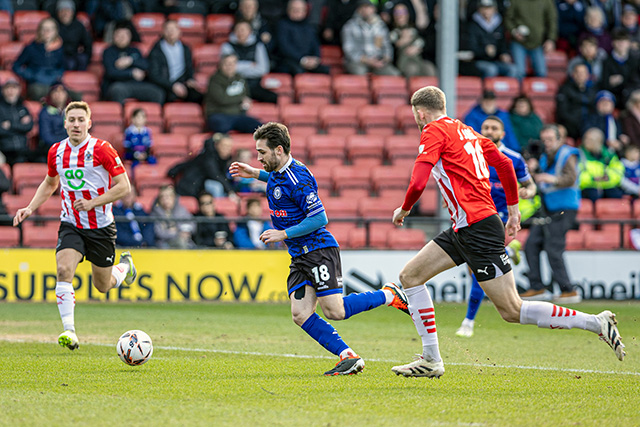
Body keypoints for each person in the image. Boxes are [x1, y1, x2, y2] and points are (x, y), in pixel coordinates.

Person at [387, 87, 624, 378]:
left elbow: (418, 181)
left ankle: (595, 322)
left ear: (420, 112)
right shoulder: (468, 132)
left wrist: (405, 208)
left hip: (477, 228)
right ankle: (431, 359)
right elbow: (504, 164)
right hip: (467, 226)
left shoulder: (433, 131)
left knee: (512, 310)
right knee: (410, 276)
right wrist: (513, 211)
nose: (415, 119)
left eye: (415, 114)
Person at [229, 121, 411, 375]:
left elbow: (319, 218)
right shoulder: (282, 172)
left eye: (262, 152)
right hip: (299, 255)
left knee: (335, 311)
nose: (258, 157)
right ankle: (348, 355)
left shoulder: (299, 177)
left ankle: (389, 295)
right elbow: (280, 183)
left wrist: (283, 233)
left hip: (318, 250)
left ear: (278, 150)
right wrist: (255, 173)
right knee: (300, 313)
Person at [12, 101, 137, 351]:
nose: (76, 124)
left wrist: (93, 203)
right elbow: (50, 184)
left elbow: (124, 187)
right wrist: (30, 207)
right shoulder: (56, 151)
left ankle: (124, 268)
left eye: (81, 120)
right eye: (72, 120)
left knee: (102, 285)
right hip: (71, 223)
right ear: (65, 123)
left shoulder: (102, 149)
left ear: (89, 123)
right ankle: (69, 331)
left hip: (101, 226)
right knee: (63, 270)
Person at [455, 115, 537, 338]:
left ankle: (468, 321)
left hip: (497, 218)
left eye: (494, 128)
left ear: (502, 134)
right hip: (472, 216)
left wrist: (527, 192)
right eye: (485, 127)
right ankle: (510, 251)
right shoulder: (470, 154)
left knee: (479, 271)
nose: (489, 130)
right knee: (474, 269)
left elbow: (531, 186)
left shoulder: (513, 158)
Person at [521, 125, 582, 303]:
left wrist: (551, 178)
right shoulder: (544, 157)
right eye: (544, 140)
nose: (546, 143)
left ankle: (568, 290)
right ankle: (537, 287)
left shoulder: (567, 154)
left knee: (553, 248)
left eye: (550, 139)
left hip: (564, 208)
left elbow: (571, 178)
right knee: (532, 244)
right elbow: (538, 181)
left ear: (559, 139)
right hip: (547, 208)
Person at [102, 22, 164, 105]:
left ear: (130, 37)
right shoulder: (108, 51)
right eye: (119, 35)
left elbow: (146, 65)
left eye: (125, 35)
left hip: (137, 84)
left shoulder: (135, 50)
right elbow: (111, 72)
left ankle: (146, 116)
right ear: (114, 36)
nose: (122, 38)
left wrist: (131, 61)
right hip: (118, 84)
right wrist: (131, 73)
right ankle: (121, 117)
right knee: (117, 90)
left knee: (157, 93)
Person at [147, 19, 203, 104]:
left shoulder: (186, 48)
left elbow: (189, 67)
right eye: (168, 29)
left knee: (200, 97)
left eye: (174, 29)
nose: (171, 32)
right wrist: (172, 86)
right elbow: (154, 75)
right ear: (162, 32)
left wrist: (190, 79)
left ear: (180, 32)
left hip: (182, 83)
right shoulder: (156, 50)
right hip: (164, 85)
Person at [221, 20, 278, 104]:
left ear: (250, 32)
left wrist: (239, 66)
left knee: (273, 98)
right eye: (238, 30)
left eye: (243, 30)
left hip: (254, 85)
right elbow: (228, 68)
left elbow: (263, 69)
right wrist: (250, 65)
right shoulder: (227, 46)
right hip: (233, 83)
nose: (241, 33)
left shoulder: (258, 46)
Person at [204, 53, 262, 134]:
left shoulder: (240, 77)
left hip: (238, 115)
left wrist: (247, 102)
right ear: (221, 65)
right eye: (227, 63)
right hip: (218, 114)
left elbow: (246, 95)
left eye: (233, 63)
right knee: (222, 126)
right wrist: (241, 98)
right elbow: (222, 99)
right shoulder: (214, 80)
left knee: (261, 128)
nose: (230, 66)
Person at [341, 0, 401, 76]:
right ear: (358, 9)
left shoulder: (381, 26)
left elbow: (387, 47)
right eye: (362, 7)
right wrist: (368, 60)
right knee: (360, 72)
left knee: (394, 74)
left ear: (374, 9)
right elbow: (349, 50)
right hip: (358, 62)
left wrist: (384, 60)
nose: (365, 10)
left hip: (378, 61)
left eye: (368, 7)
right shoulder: (349, 26)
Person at [170, 132, 238, 199]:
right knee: (216, 187)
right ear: (216, 145)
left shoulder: (226, 159)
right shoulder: (208, 157)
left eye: (229, 147)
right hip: (189, 189)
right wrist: (230, 191)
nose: (227, 149)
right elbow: (215, 175)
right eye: (224, 146)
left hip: (200, 189)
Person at [12, 17, 65, 101]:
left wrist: (57, 75)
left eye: (50, 29)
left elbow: (62, 67)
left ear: (55, 32)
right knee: (39, 93)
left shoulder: (60, 49)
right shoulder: (31, 48)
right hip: (37, 84)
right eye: (44, 29)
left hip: (54, 83)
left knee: (75, 96)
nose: (47, 32)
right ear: (39, 31)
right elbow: (16, 66)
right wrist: (32, 75)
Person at [274, 0, 329, 76]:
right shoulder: (282, 25)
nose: (297, 12)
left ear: (305, 11)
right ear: (288, 10)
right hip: (289, 61)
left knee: (325, 70)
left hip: (308, 60)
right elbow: (284, 47)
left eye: (300, 10)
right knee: (298, 71)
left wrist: (316, 58)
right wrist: (302, 59)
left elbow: (315, 44)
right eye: (294, 9)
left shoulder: (309, 26)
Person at [466, 0, 519, 79]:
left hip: (496, 60)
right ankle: (488, 91)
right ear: (479, 9)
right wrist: (484, 50)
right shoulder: (473, 25)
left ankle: (504, 90)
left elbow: (503, 44)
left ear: (495, 9)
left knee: (513, 69)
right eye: (484, 8)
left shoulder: (499, 24)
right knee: (491, 69)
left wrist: (504, 53)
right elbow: (471, 49)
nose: (486, 11)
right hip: (478, 61)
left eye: (489, 8)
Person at [504, 0, 557, 78]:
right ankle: (520, 90)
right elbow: (508, 19)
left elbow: (552, 20)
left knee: (541, 72)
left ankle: (539, 90)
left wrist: (550, 39)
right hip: (518, 42)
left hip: (537, 43)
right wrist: (514, 31)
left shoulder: (547, 2)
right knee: (519, 72)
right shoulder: (515, 1)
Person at [388, 3, 436, 78]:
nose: (400, 15)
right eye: (397, 13)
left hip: (418, 60)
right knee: (412, 69)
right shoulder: (392, 32)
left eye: (403, 12)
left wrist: (417, 48)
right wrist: (401, 41)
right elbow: (390, 47)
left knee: (429, 68)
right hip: (403, 61)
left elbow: (423, 42)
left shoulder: (414, 29)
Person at [578, 127, 625, 202]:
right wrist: (592, 179)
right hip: (588, 187)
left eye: (591, 140)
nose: (586, 142)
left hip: (606, 185)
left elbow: (618, 172)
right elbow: (577, 175)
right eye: (585, 139)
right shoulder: (578, 154)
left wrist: (608, 177)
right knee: (593, 194)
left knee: (616, 194)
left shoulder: (609, 155)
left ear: (599, 141)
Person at [600, 28, 640, 110]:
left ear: (629, 43)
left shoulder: (635, 60)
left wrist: (620, 80)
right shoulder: (606, 61)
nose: (621, 44)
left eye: (624, 41)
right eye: (618, 40)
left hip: (631, 95)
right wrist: (609, 82)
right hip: (614, 97)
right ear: (613, 43)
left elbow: (636, 80)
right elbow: (604, 83)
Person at [556, 63, 597, 140]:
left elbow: (594, 110)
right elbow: (562, 112)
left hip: (589, 125)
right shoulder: (565, 89)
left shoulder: (593, 90)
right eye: (577, 72)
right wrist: (579, 123)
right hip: (571, 125)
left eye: (583, 73)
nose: (580, 75)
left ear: (588, 75)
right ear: (573, 75)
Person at [0, 78, 33, 166]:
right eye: (8, 88)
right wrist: (20, 127)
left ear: (19, 90)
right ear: (3, 91)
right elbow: (1, 131)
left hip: (23, 149)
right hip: (5, 149)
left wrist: (10, 125)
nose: (11, 91)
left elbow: (29, 126)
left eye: (14, 88)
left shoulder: (23, 107)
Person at [151, 184, 195, 249]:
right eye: (162, 197)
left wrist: (175, 231)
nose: (165, 200)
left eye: (168, 196)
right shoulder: (155, 213)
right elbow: (159, 233)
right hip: (163, 244)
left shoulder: (182, 210)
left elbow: (193, 226)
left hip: (186, 242)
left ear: (174, 197)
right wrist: (178, 233)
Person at [54, 0, 93, 71]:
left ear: (72, 12)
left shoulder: (79, 26)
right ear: (58, 13)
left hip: (74, 53)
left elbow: (88, 43)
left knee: (83, 59)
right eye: (61, 10)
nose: (65, 13)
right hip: (58, 55)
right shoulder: (54, 25)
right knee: (70, 64)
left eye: (68, 10)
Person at [38, 83, 70, 159]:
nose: (59, 95)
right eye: (55, 92)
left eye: (62, 92)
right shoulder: (45, 112)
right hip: (52, 150)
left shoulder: (72, 111)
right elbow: (46, 136)